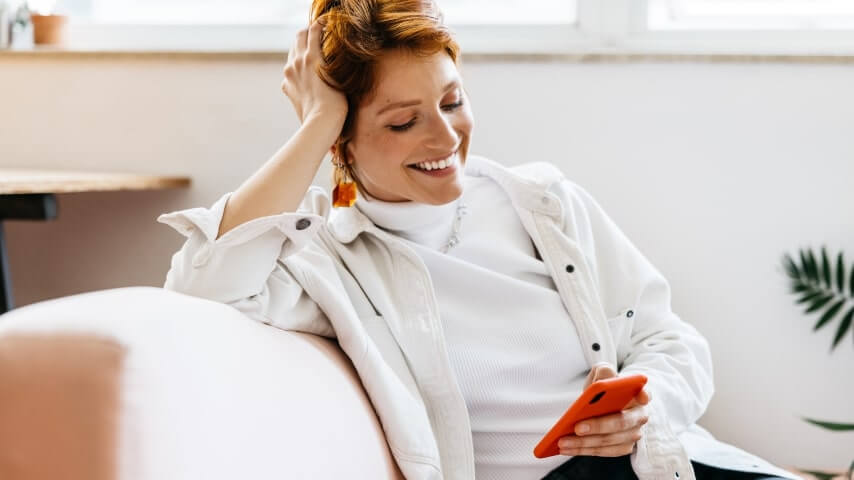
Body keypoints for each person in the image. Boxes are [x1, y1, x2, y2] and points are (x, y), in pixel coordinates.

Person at [158, 1, 802, 479]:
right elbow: (201, 293)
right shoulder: (326, 261)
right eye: (404, 121)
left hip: (656, 464)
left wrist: (644, 406)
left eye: (452, 101)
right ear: (342, 141)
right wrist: (315, 124)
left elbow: (669, 340)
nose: (444, 138)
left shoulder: (544, 204)